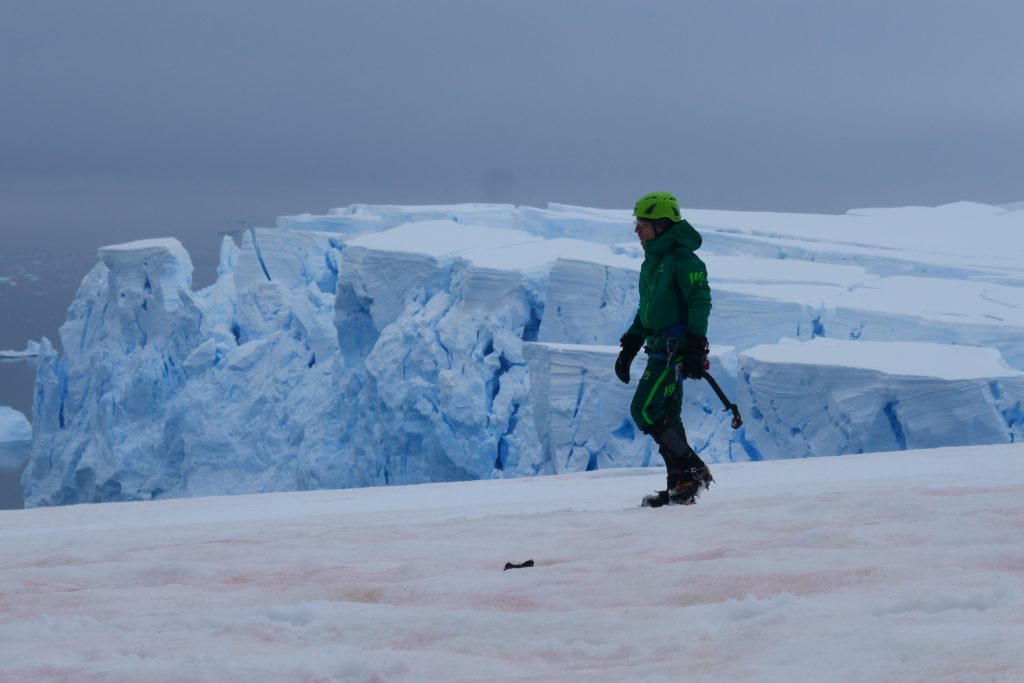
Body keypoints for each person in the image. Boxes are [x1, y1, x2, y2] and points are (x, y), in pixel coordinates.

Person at [615, 191, 714, 507]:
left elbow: (699, 300)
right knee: (668, 413)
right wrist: (630, 344)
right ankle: (680, 486)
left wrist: (697, 346)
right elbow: (648, 311)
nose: (636, 230)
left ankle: (693, 468)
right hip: (657, 347)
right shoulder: (652, 263)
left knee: (643, 409)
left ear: (660, 225)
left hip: (674, 351)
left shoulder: (683, 260)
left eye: (641, 224)